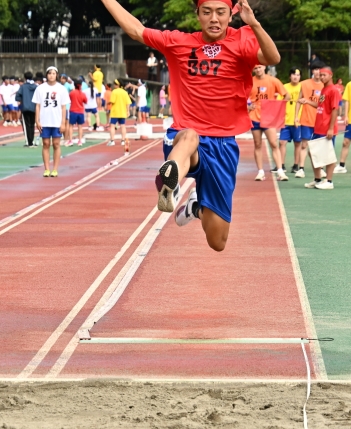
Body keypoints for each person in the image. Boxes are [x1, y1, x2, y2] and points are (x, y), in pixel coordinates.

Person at [102, 0, 280, 252]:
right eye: (207, 12)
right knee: (189, 137)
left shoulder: (242, 39)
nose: (214, 18)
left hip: (223, 144)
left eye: (220, 12)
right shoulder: (179, 42)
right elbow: (135, 30)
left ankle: (194, 208)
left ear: (230, 15)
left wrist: (255, 24)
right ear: (198, 14)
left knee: (217, 241)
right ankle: (169, 185)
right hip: (186, 135)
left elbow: (272, 57)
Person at [302, 66, 340, 190]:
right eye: (320, 75)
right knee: (313, 152)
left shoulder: (333, 90)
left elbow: (335, 110)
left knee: (328, 154)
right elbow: (320, 105)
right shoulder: (324, 89)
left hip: (326, 128)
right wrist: (307, 101)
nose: (321, 77)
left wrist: (331, 128)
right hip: (318, 127)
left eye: (324, 75)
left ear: (331, 75)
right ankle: (317, 179)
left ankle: (329, 181)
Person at [249, 64, 288, 181]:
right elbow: (243, 97)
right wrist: (248, 106)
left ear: (264, 67)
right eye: (255, 68)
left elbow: (287, 95)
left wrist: (277, 107)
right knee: (257, 144)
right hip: (254, 116)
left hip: (269, 117)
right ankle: (260, 172)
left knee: (273, 143)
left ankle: (280, 171)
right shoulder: (250, 81)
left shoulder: (273, 81)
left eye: (259, 67)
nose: (258, 70)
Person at [33, 66, 70, 177]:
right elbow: (37, 105)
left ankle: (55, 169)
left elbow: (64, 107)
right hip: (44, 121)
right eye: (49, 73)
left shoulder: (61, 89)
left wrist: (63, 123)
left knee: (56, 144)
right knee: (46, 144)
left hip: (57, 121)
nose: (51, 75)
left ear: (56, 75)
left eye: (54, 73)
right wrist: (37, 120)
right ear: (46, 75)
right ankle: (46, 169)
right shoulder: (40, 88)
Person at [294, 62, 324, 180]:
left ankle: (320, 169)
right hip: (306, 119)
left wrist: (308, 101)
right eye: (315, 69)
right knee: (304, 144)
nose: (317, 72)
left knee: (318, 146)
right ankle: (301, 168)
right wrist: (296, 116)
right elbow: (299, 100)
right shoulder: (304, 84)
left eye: (319, 69)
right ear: (312, 71)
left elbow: (322, 105)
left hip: (319, 120)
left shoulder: (324, 86)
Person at [280, 68, 302, 175]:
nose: (295, 77)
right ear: (290, 76)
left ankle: (296, 165)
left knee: (297, 143)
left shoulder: (303, 87)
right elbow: (279, 102)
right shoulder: (284, 87)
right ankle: (281, 165)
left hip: (298, 121)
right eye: (293, 74)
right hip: (286, 120)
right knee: (282, 142)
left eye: (298, 75)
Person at [107, 79, 132, 152]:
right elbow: (128, 103)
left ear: (118, 85)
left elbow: (112, 101)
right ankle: (123, 140)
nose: (114, 85)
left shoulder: (114, 92)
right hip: (122, 112)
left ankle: (112, 140)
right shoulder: (125, 92)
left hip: (115, 112)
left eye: (115, 84)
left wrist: (108, 103)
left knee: (112, 126)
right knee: (123, 126)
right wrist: (128, 111)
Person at [16, 72, 38, 147]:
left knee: (26, 125)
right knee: (32, 124)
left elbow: (17, 97)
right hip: (34, 108)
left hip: (25, 107)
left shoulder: (23, 87)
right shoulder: (36, 86)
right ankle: (32, 140)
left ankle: (29, 142)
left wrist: (22, 99)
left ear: (25, 78)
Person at [68, 80, 88, 147]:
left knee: (71, 126)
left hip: (73, 111)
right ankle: (80, 141)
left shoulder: (71, 93)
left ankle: (70, 140)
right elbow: (85, 101)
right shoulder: (82, 93)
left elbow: (69, 99)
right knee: (80, 126)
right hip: (80, 112)